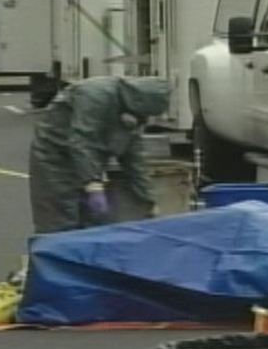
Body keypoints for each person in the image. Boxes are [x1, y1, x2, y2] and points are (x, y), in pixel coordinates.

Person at [29, 76, 171, 234]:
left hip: (87, 160)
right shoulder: (96, 95)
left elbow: (134, 159)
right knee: (58, 220)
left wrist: (148, 199)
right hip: (54, 157)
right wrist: (93, 185)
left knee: (91, 223)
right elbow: (82, 141)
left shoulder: (132, 112)